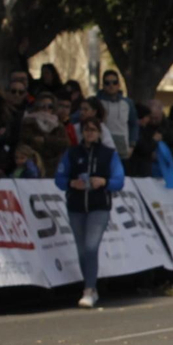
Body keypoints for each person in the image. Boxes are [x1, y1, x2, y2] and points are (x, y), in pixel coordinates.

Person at [55, 116, 125, 308]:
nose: (89, 133)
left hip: (99, 206)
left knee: (91, 247)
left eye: (93, 130)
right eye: (86, 130)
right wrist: (72, 183)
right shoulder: (72, 153)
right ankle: (91, 286)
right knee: (81, 250)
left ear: (99, 133)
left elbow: (119, 180)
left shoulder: (108, 154)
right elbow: (59, 178)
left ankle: (88, 289)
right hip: (76, 206)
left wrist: (104, 182)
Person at [96, 70, 140, 160]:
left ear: (119, 85)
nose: (111, 85)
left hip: (123, 151)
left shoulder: (127, 103)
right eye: (107, 83)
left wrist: (132, 145)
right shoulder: (97, 102)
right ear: (103, 85)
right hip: (101, 149)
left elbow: (134, 125)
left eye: (114, 82)